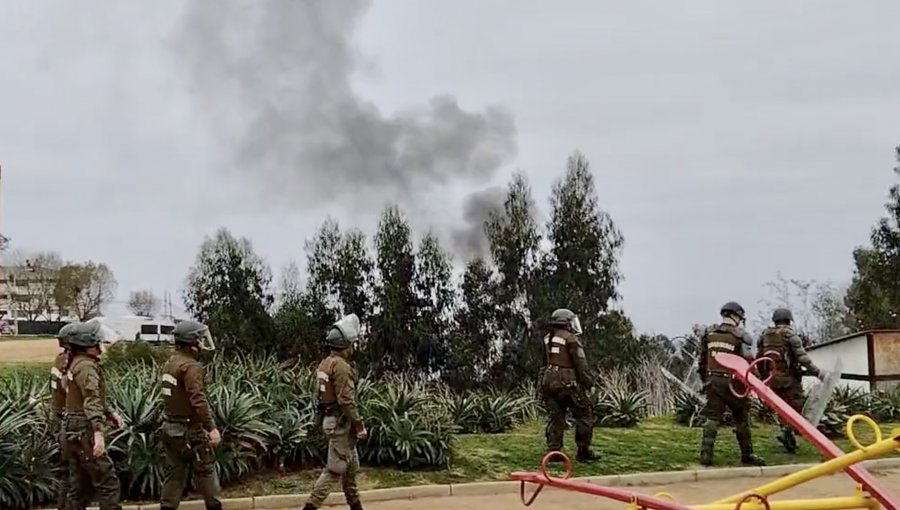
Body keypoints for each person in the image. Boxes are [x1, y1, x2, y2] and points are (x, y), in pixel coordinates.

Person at [303, 313, 367, 510]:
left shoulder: (325, 363)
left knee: (350, 469)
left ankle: (356, 506)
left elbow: (319, 396)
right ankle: (309, 507)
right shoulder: (341, 366)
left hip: (333, 421)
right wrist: (359, 425)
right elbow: (346, 400)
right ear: (346, 346)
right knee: (334, 470)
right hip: (341, 424)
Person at [159, 319, 222, 510]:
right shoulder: (191, 366)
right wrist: (211, 428)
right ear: (192, 343)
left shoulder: (171, 362)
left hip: (171, 427)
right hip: (189, 430)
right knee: (205, 472)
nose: (202, 344)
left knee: (174, 476)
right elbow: (198, 400)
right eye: (199, 340)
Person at [697, 302, 765, 467]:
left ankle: (706, 455)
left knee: (712, 418)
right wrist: (758, 382)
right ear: (737, 316)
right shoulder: (741, 336)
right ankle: (747, 455)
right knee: (741, 419)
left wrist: (705, 379)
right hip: (735, 383)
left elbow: (702, 361)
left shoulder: (710, 334)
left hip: (713, 380)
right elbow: (749, 361)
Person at [63, 321, 122, 510]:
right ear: (89, 343)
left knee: (79, 486)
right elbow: (91, 398)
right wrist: (98, 433)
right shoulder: (87, 367)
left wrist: (109, 412)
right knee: (108, 483)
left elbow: (84, 397)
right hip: (84, 429)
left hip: (72, 426)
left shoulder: (76, 363)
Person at [757, 307, 824, 453]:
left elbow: (759, 359)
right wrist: (818, 373)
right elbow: (803, 358)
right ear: (788, 321)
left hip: (772, 380)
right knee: (797, 408)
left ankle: (789, 440)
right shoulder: (791, 336)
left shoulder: (764, 336)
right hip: (789, 380)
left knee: (782, 410)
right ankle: (788, 432)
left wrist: (763, 379)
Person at [540, 308, 597, 463]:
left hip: (548, 382)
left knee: (556, 418)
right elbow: (580, 364)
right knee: (584, 415)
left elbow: (544, 362)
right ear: (566, 322)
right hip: (567, 383)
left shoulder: (548, 338)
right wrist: (589, 382)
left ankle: (554, 452)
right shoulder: (571, 339)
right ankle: (583, 452)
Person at [51, 322, 91, 510]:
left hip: (60, 418)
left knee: (65, 473)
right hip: (71, 420)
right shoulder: (69, 362)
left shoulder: (59, 360)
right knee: (76, 477)